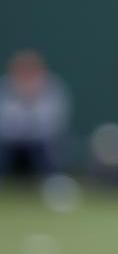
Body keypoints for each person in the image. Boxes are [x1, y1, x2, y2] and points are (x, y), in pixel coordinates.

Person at [0, 50, 71, 184]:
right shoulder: (5, 87)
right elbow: (5, 124)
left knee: (48, 146)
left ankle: (55, 183)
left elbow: (52, 124)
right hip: (10, 143)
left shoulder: (53, 88)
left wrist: (30, 101)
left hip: (41, 142)